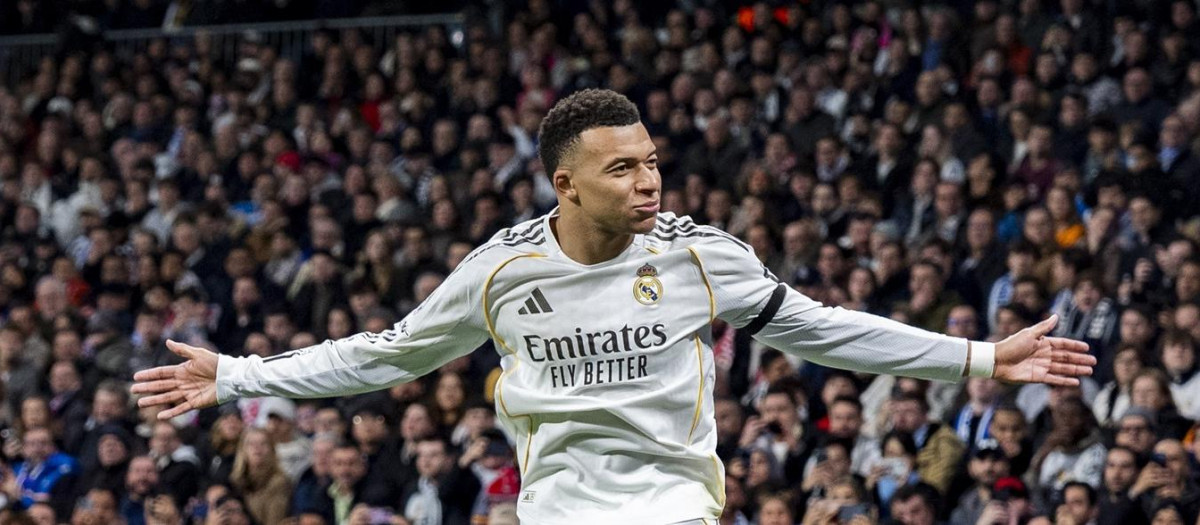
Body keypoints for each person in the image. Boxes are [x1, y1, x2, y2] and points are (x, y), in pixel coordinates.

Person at [132, 89, 1095, 524]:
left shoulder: (698, 256)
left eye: (653, 162)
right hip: (554, 506)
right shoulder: (500, 273)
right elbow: (388, 355)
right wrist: (239, 376)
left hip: (675, 502)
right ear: (566, 183)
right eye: (623, 167)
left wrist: (980, 357)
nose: (649, 182)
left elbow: (824, 326)